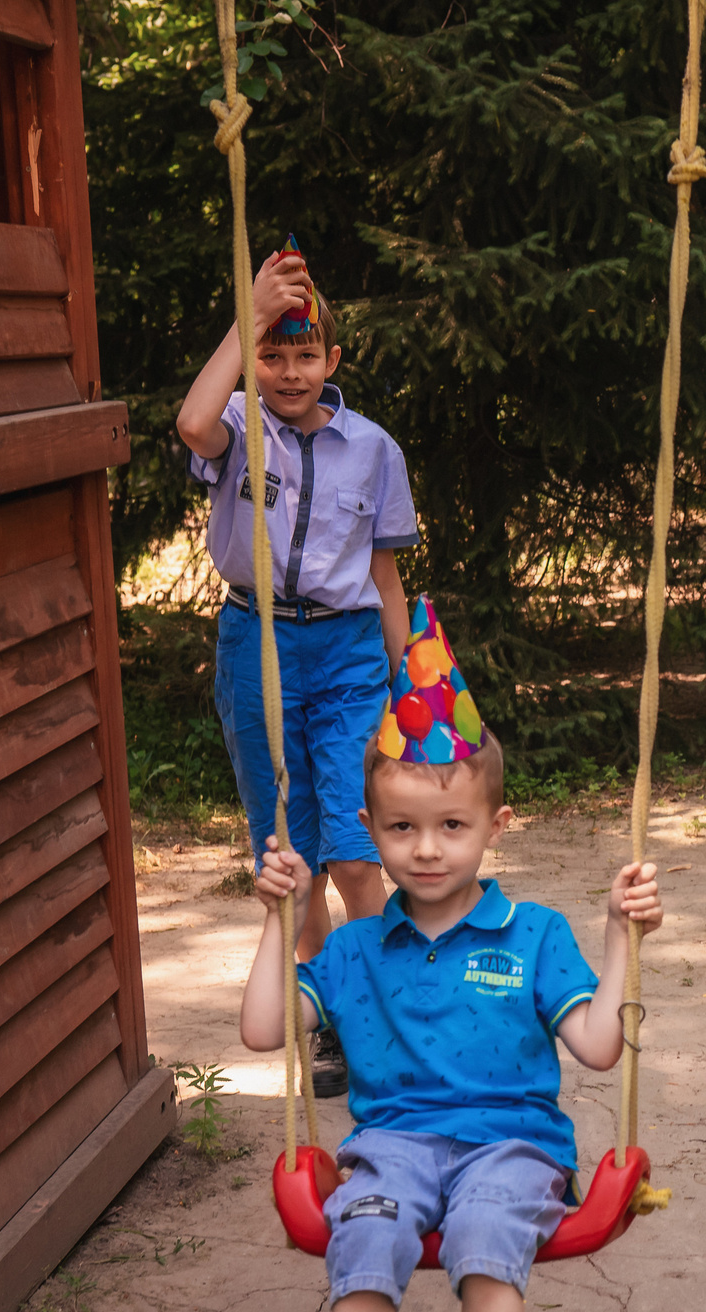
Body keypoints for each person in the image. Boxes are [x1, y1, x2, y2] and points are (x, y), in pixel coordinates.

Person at [241, 597, 662, 1312]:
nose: (426, 849)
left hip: (511, 1148)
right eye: (400, 827)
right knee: (363, 1230)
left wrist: (616, 936)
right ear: (369, 828)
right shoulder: (353, 951)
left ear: (495, 825)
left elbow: (599, 1046)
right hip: (391, 1150)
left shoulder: (535, 934)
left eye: (451, 826)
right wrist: (281, 920)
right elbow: (266, 1029)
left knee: (482, 1235)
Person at [179, 235, 418, 1097]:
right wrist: (246, 319)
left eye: (305, 354)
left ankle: (390, 1010)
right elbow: (192, 424)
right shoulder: (240, 429)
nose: (288, 372)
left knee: (356, 851)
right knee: (295, 857)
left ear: (333, 360)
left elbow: (385, 581)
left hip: (349, 652)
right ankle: (336, 1024)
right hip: (257, 647)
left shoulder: (374, 449)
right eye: (272, 355)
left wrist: (409, 687)